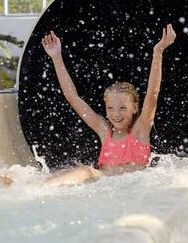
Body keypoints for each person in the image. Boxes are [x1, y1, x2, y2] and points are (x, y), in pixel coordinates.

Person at [39, 24, 176, 186]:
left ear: (134, 108)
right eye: (110, 108)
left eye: (122, 108)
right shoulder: (105, 131)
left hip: (134, 185)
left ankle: (39, 189)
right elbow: (72, 97)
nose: (116, 114)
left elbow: (152, 94)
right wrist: (56, 57)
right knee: (78, 171)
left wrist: (158, 52)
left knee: (85, 171)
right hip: (103, 186)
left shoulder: (140, 131)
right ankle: (34, 187)